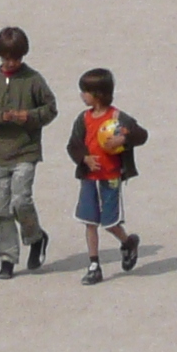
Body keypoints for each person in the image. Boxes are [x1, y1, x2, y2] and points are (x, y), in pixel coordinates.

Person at [0, 27, 58, 280]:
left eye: (16, 58)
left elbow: (51, 109)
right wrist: (0, 117)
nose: (11, 63)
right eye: (7, 58)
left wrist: (29, 117)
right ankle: (7, 258)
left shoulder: (33, 80)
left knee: (20, 201)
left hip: (25, 152)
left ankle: (36, 237)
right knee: (0, 210)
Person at [64, 67, 148, 284]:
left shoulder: (118, 117)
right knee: (89, 221)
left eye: (85, 92)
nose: (82, 96)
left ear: (98, 94)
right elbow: (73, 145)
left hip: (110, 178)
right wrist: (84, 158)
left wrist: (124, 139)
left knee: (109, 222)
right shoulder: (83, 119)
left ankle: (128, 241)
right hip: (89, 179)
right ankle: (94, 264)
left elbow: (141, 135)